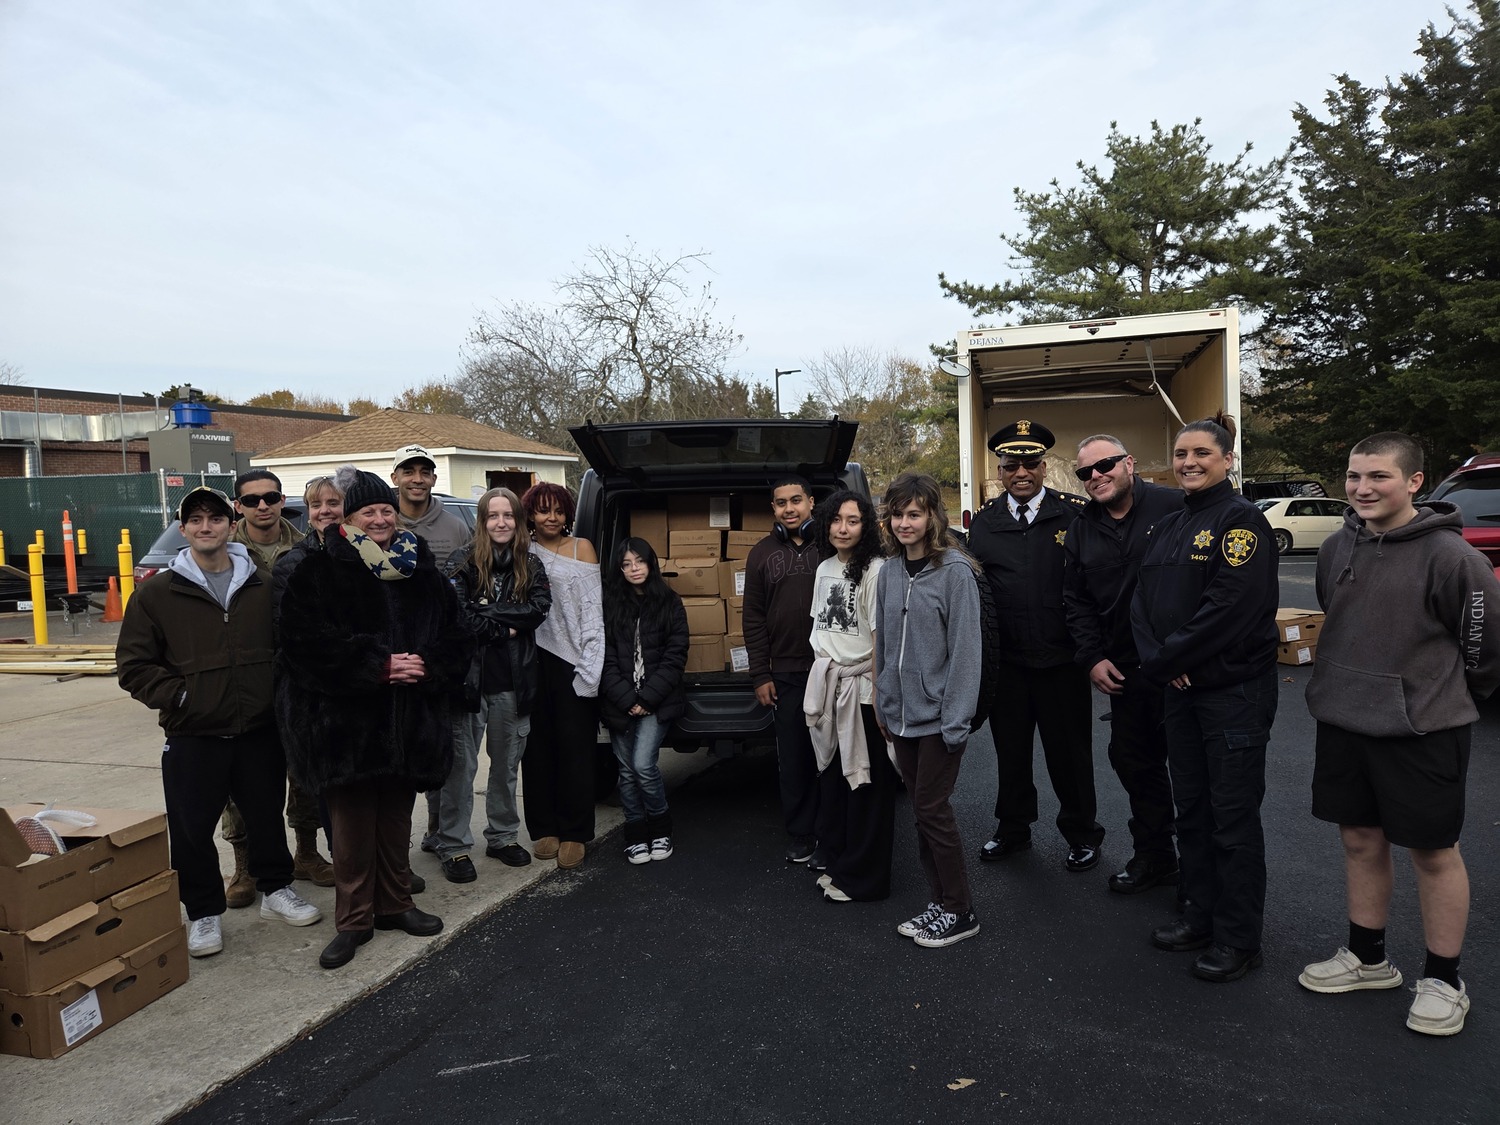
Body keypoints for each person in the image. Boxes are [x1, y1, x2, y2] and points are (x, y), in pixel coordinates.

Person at [1299, 432, 1500, 1036]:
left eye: (1378, 476)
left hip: (1423, 729)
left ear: (1414, 482)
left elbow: (1485, 649)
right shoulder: (1336, 546)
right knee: (1361, 840)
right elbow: (1335, 613)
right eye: (1354, 476)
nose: (1362, 488)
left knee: (1433, 854)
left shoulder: (1453, 558)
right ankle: (1367, 959)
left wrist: (1441, 696)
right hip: (1344, 719)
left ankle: (1444, 980)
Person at [277, 467, 472, 970]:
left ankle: (395, 904)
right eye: (369, 511)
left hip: (410, 723)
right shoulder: (320, 571)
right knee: (351, 831)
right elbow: (302, 646)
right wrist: (377, 666)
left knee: (395, 822)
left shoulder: (422, 572)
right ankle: (354, 920)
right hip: (348, 729)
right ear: (350, 519)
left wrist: (426, 665)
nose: (381, 518)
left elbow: (457, 636)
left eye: (387, 509)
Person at [117, 486, 323, 959]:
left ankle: (276, 890)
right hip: (194, 733)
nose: (205, 526)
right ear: (183, 529)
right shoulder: (156, 594)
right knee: (192, 829)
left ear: (232, 525)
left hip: (259, 730)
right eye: (196, 520)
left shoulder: (263, 585)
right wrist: (182, 697)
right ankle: (203, 912)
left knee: (266, 816)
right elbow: (134, 665)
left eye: (214, 518)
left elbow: (288, 647)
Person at [1131, 413, 1279, 983]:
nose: (1188, 463)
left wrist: (1172, 661)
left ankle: (1239, 938)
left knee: (1231, 818)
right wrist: (1162, 663)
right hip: (1180, 690)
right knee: (1191, 809)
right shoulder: (1170, 523)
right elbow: (1141, 603)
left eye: (1201, 454)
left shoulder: (1240, 522)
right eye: (1181, 454)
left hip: (1231, 694)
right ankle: (1199, 916)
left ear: (1228, 460)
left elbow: (1230, 608)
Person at [966, 420, 1102, 872]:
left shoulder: (1075, 515)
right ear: (999, 471)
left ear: (1044, 467)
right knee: (1011, 754)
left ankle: (1082, 834)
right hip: (1008, 664)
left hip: (1062, 661)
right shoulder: (984, 522)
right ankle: (1013, 830)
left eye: (1030, 464)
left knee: (1070, 756)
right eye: (1011, 465)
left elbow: (1092, 587)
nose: (1020, 473)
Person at [1063, 435, 1185, 894]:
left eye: (1106, 464)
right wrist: (1091, 657)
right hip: (1126, 673)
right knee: (1135, 765)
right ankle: (1155, 856)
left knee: (1195, 773)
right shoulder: (1081, 528)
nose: (1096, 476)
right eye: (1085, 472)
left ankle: (1201, 876)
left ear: (1129, 463)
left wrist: (1187, 652)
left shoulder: (1176, 508)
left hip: (1181, 669)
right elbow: (1076, 601)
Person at [874, 472, 983, 948]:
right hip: (900, 717)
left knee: (932, 811)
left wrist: (956, 721)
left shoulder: (955, 572)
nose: (904, 523)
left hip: (939, 719)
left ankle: (960, 910)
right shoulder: (889, 571)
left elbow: (966, 653)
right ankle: (939, 902)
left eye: (914, 514)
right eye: (897, 514)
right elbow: (883, 643)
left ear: (933, 516)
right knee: (922, 813)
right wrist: (883, 700)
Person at [220, 469, 329, 902]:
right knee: (240, 778)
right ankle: (244, 866)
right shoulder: (223, 550)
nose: (262, 506)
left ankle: (307, 853)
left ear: (283, 501)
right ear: (238, 506)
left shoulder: (307, 546)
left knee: (304, 769)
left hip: (297, 676)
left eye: (270, 497)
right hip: (244, 677)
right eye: (251, 500)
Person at [433, 487, 551, 879]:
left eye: (508, 515)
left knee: (505, 768)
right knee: (461, 769)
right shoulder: (461, 560)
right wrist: (506, 626)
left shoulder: (531, 564)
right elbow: (458, 617)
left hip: (513, 683)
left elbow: (537, 610)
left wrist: (487, 611)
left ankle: (502, 837)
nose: (501, 523)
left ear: (518, 520)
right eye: (493, 515)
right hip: (468, 683)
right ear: (482, 521)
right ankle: (453, 846)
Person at [803, 490, 896, 903]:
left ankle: (866, 879)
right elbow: (821, 629)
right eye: (836, 520)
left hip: (862, 690)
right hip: (829, 686)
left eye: (853, 521)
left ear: (867, 527)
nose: (843, 528)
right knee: (836, 783)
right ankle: (842, 865)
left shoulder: (876, 570)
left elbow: (880, 639)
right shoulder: (824, 567)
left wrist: (879, 697)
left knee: (867, 785)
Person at [520, 482, 604, 870]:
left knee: (576, 749)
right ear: (531, 515)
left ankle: (575, 832)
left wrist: (591, 666)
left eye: (558, 510)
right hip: (531, 658)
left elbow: (592, 612)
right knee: (536, 748)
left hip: (574, 660)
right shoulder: (521, 550)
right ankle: (544, 828)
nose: (551, 518)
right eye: (543, 510)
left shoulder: (581, 548)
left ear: (567, 513)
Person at [743, 475, 822, 864]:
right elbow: (753, 618)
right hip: (786, 675)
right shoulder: (760, 554)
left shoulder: (832, 546)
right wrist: (761, 674)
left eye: (796, 500)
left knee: (836, 756)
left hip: (831, 671)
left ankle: (835, 829)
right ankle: (802, 833)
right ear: (773, 509)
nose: (789, 509)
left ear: (811, 502)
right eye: (781, 502)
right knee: (794, 759)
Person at [600, 538, 688, 863]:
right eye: (626, 564)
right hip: (619, 702)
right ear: (620, 570)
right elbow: (604, 658)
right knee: (625, 773)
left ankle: (661, 828)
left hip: (657, 701)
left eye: (639, 561)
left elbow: (676, 655)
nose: (634, 569)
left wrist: (647, 698)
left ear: (651, 563)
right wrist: (627, 699)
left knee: (642, 766)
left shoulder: (669, 602)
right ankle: (635, 833)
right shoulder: (610, 604)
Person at [390, 443, 470, 568]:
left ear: (434, 479)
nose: (418, 479)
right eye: (408, 472)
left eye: (425, 473)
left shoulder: (457, 528)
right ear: (395, 478)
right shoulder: (381, 525)